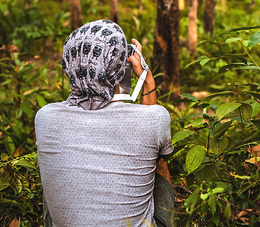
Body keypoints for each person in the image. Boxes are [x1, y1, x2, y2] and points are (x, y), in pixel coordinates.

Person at [35, 20, 174, 227]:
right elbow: (149, 148)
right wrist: (148, 81)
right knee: (158, 160)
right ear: (121, 68)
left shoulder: (44, 117)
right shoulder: (154, 118)